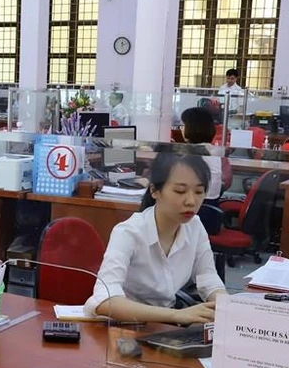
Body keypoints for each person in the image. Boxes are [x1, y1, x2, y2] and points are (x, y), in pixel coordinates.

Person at [85, 152, 227, 324]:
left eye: (199, 191)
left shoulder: (194, 226)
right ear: (154, 191)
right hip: (122, 328)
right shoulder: (129, 232)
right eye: (180, 191)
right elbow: (104, 301)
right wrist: (177, 316)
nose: (191, 201)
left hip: (163, 327)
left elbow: (208, 278)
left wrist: (228, 307)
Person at [180, 108, 224, 201]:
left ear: (192, 127)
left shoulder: (192, 152)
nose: (181, 129)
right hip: (210, 204)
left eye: (183, 125)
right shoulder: (213, 150)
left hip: (196, 204)